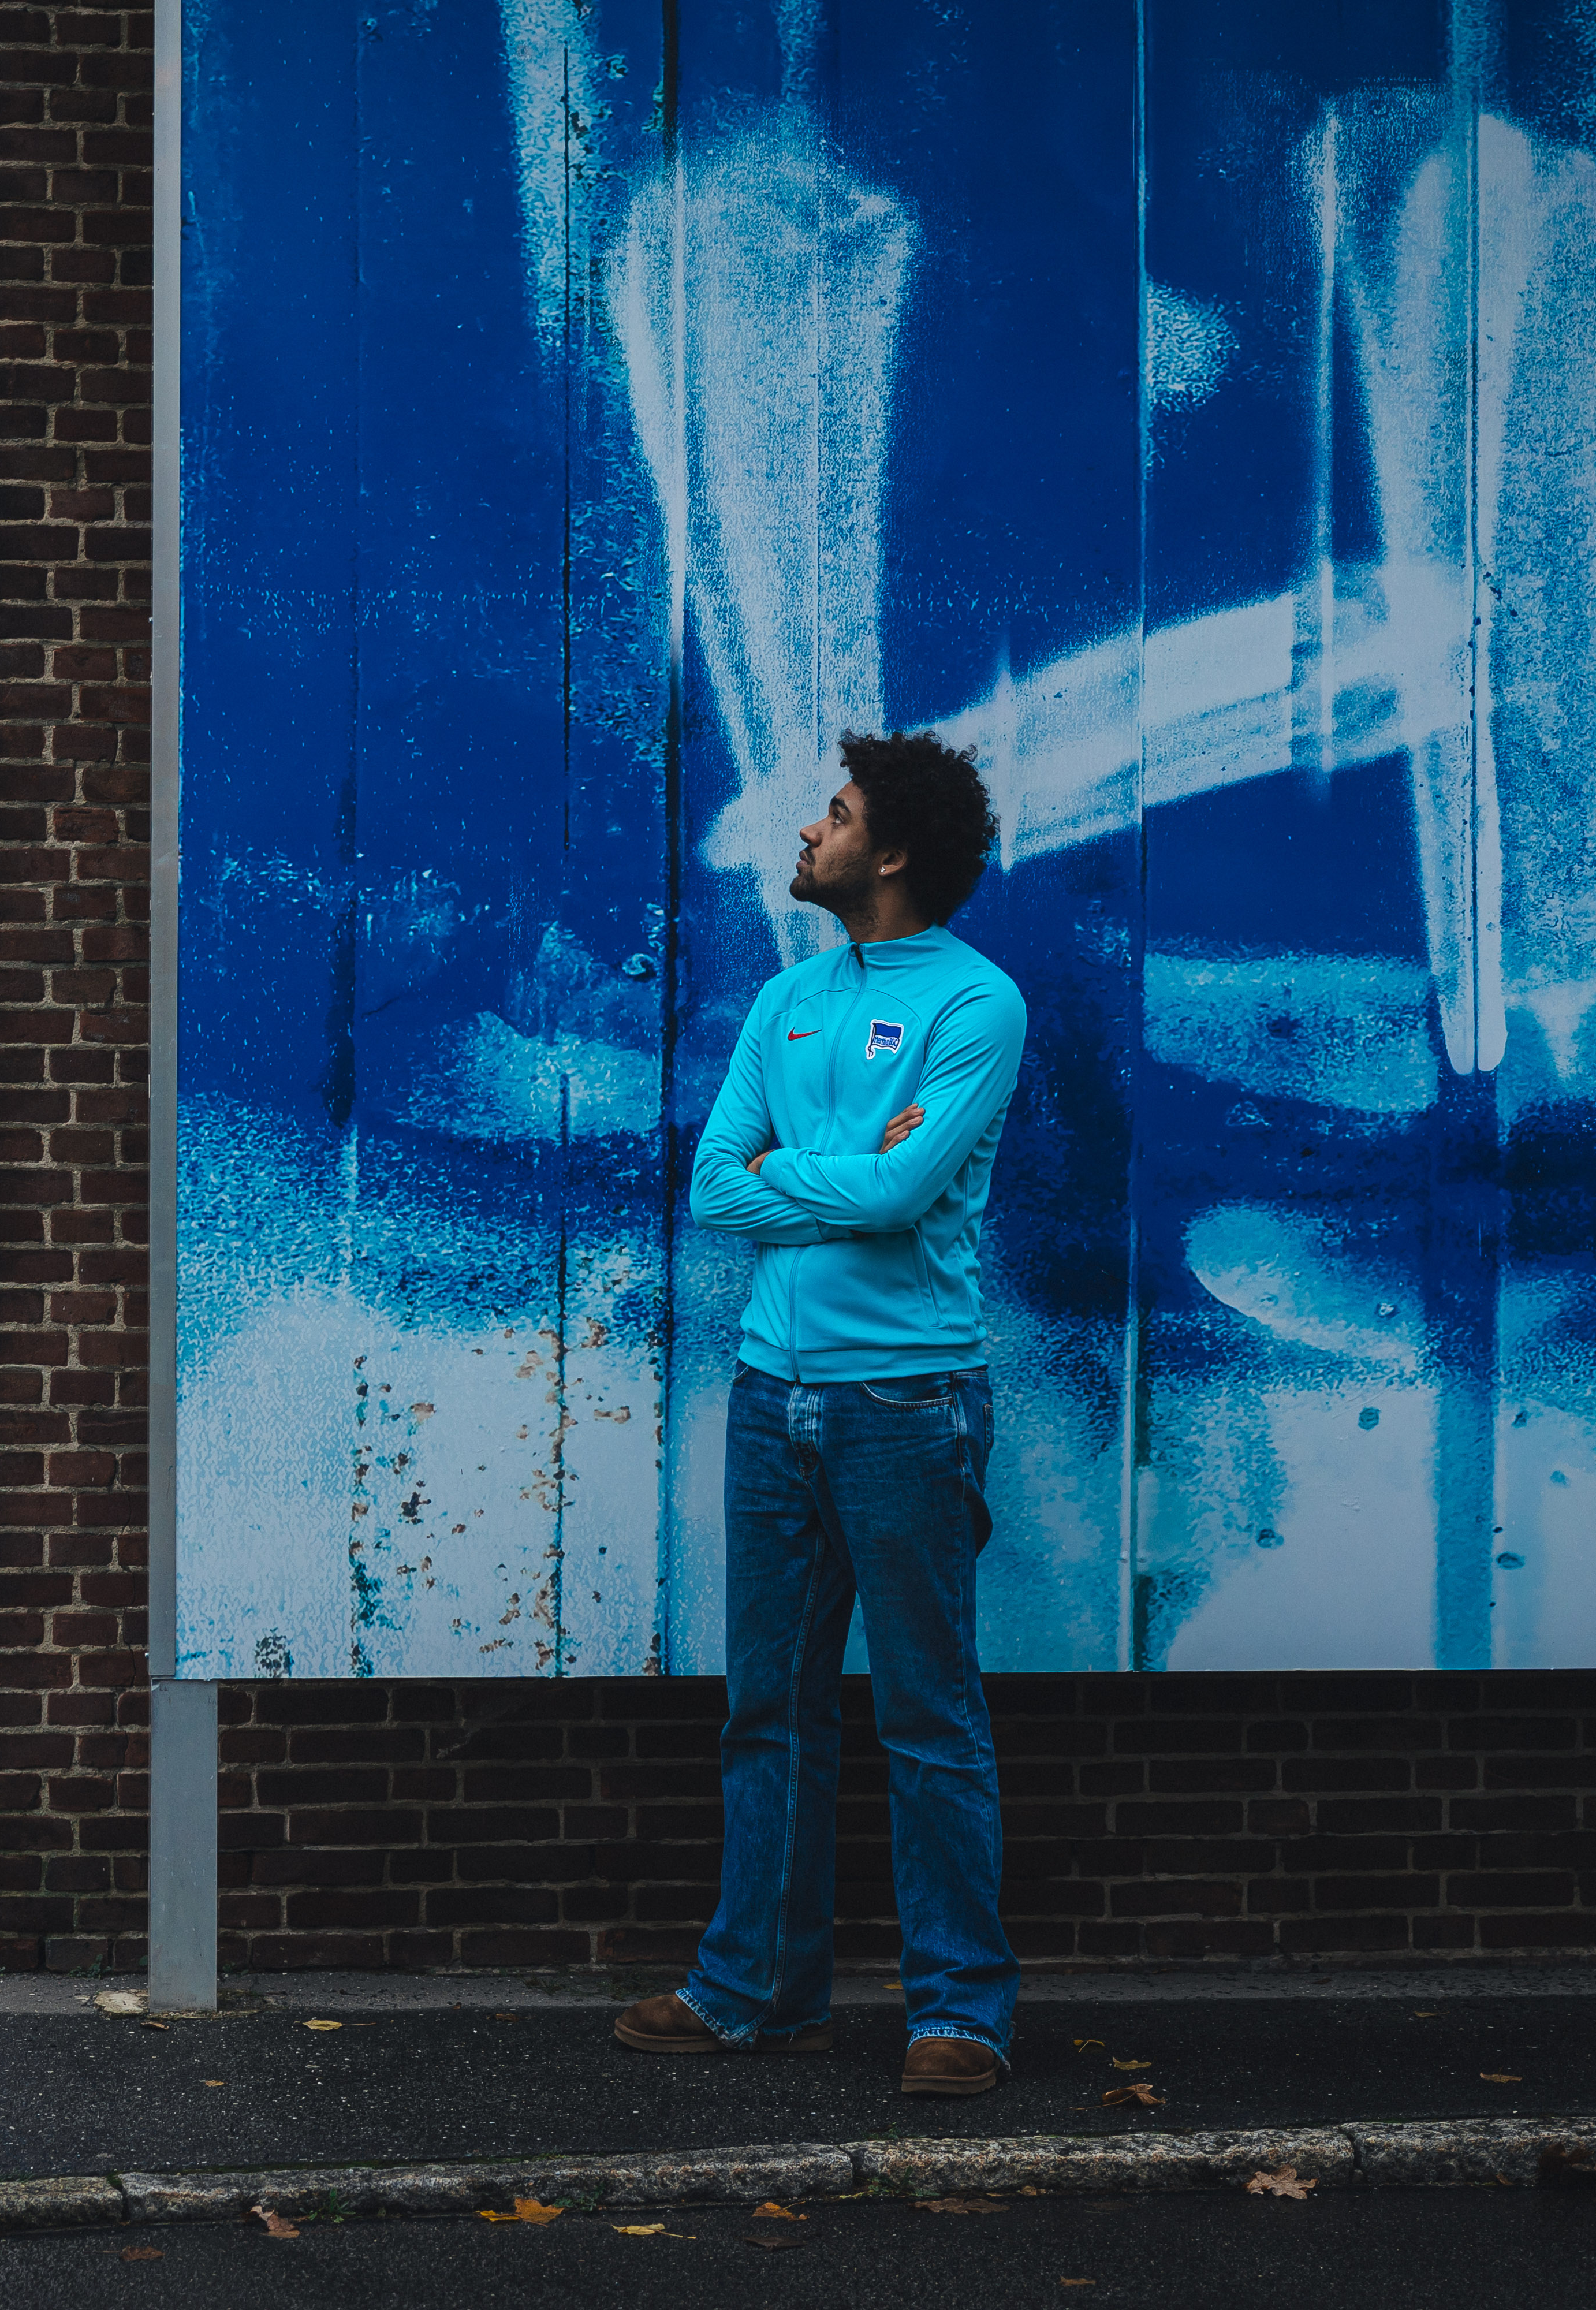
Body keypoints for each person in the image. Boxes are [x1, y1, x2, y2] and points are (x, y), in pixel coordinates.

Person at [615, 729, 1026, 2096]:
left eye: (836, 815)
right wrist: (844, 1170)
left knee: (929, 1714)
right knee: (769, 1710)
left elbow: (899, 1203)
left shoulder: (978, 1005)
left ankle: (959, 2012)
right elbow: (714, 1187)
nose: (807, 831)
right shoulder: (785, 1003)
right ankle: (755, 1993)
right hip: (769, 1393)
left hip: (908, 1400)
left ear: (892, 852)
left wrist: (813, 1174)